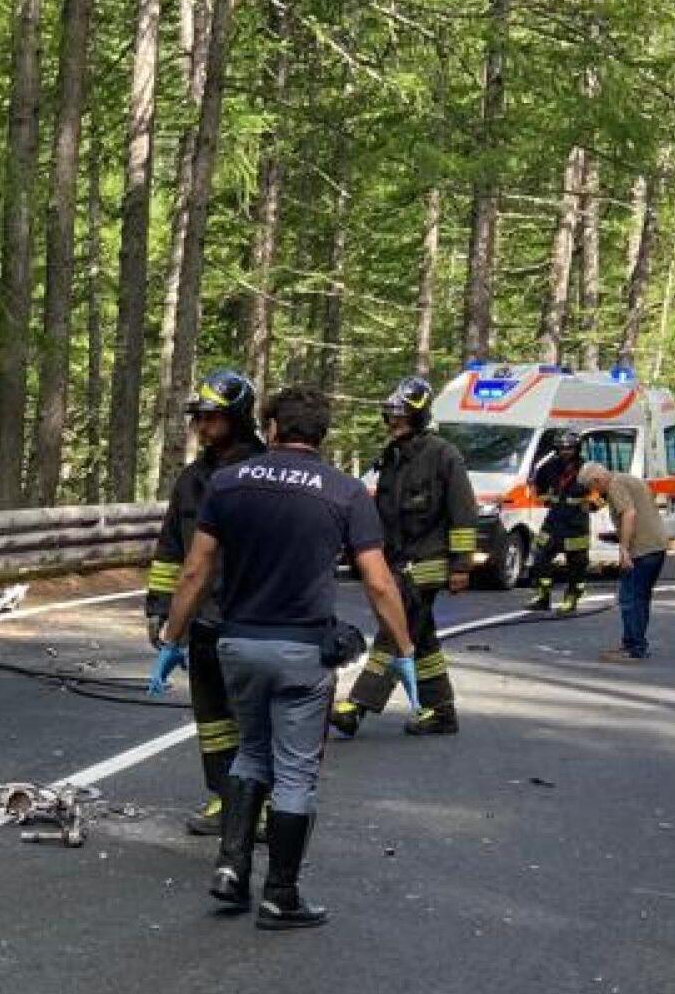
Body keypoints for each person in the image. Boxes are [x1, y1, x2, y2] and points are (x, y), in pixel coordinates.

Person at [150, 387, 415, 929]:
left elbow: (196, 570)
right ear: (322, 434)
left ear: (270, 428)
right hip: (300, 649)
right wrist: (404, 649)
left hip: (237, 645)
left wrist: (172, 637)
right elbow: (379, 581)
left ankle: (231, 870)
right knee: (295, 771)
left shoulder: (227, 482)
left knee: (250, 754)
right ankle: (281, 894)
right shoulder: (343, 493)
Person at [145, 369, 268, 835]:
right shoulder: (192, 479)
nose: (200, 426)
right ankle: (227, 798)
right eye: (198, 417)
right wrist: (160, 609)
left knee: (253, 715)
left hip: (252, 616)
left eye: (210, 418)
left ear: (236, 418)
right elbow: (171, 550)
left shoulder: (264, 471)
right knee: (212, 716)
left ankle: (267, 801)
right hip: (203, 619)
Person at [332, 374, 478, 737]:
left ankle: (358, 705)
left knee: (393, 629)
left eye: (400, 416)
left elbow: (463, 512)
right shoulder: (391, 458)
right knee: (419, 637)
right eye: (390, 416)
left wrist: (461, 565)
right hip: (397, 559)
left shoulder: (443, 455)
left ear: (418, 416)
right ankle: (442, 713)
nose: (392, 422)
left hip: (428, 561)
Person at [582, 460, 668, 661]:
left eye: (592, 487)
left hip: (642, 549)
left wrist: (624, 549)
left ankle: (634, 647)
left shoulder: (614, 486)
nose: (596, 493)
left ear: (597, 479)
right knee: (641, 597)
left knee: (630, 598)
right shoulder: (627, 479)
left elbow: (629, 514)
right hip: (656, 545)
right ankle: (635, 643)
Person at [526, 428, 592, 614]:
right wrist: (545, 498)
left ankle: (572, 597)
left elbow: (601, 492)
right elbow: (537, 488)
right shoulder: (549, 466)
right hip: (554, 520)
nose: (565, 452)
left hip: (576, 523)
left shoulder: (586, 468)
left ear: (577, 449)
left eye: (569, 448)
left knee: (576, 564)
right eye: (562, 448)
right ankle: (542, 596)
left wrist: (591, 504)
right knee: (540, 558)